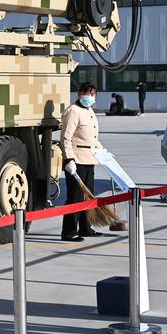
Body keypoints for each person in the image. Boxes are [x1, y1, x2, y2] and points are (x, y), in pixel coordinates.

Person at [60, 82, 103, 242]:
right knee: (75, 197)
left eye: (92, 94)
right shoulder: (73, 111)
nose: (89, 97)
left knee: (88, 196)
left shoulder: (88, 110)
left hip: (89, 158)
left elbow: (91, 138)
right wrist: (69, 159)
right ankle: (69, 232)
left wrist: (103, 151)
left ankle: (85, 228)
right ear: (79, 94)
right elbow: (66, 137)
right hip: (76, 161)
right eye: (87, 93)